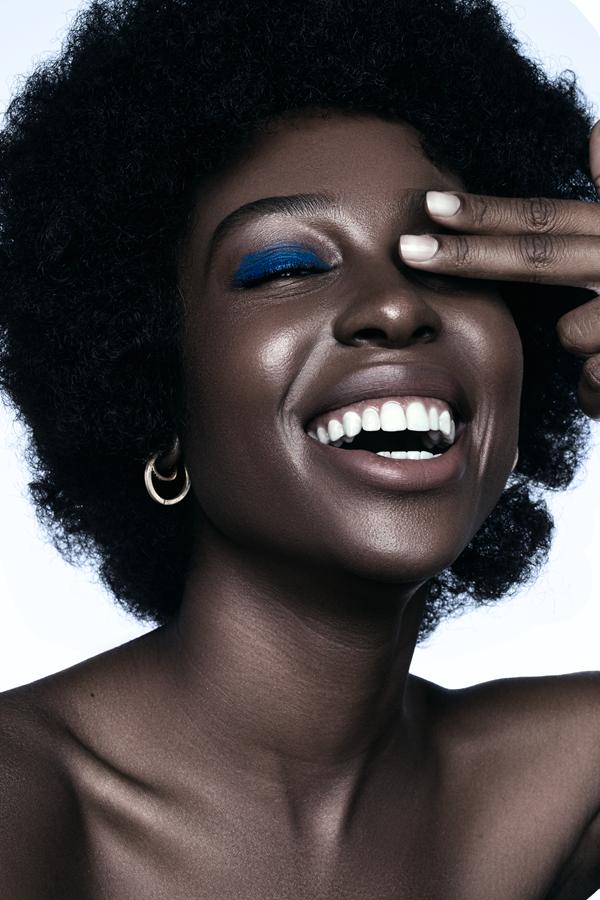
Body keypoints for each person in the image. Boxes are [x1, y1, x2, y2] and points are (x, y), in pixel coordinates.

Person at [1, 0, 600, 895]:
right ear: (153, 392)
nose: (396, 309)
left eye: (447, 261)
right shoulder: (29, 801)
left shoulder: (553, 782)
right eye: (285, 268)